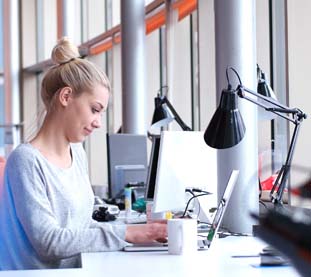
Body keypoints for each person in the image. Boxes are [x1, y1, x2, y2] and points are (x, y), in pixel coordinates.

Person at [0, 37, 167, 270]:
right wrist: (128, 233)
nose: (98, 123)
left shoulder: (76, 153)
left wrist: (140, 231)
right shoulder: (26, 161)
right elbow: (48, 242)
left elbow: (80, 225)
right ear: (66, 97)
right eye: (95, 110)